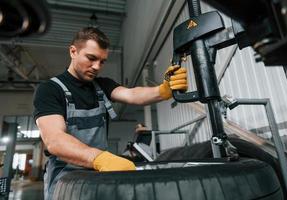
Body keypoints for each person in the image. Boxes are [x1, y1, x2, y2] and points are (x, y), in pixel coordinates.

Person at [33, 27, 187, 200]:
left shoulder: (102, 86)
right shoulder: (50, 90)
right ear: (73, 51)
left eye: (102, 61)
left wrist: (163, 90)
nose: (97, 67)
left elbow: (132, 95)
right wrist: (100, 158)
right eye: (91, 58)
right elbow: (54, 140)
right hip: (65, 179)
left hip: (100, 173)